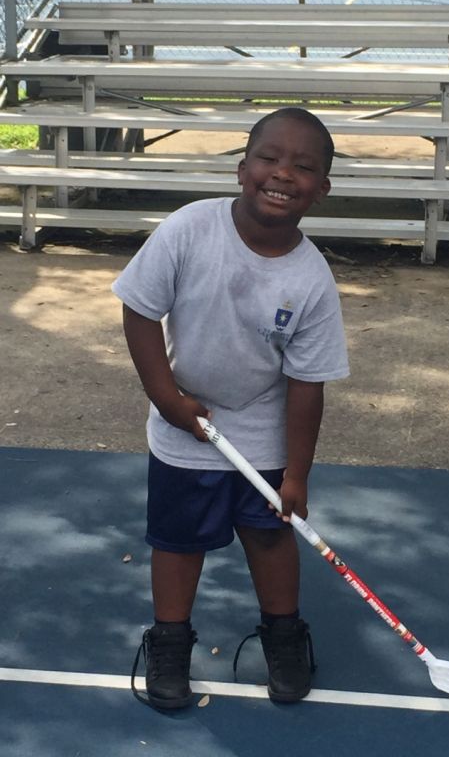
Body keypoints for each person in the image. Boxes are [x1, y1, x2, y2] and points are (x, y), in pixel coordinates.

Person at [112, 107, 349, 710]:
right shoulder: (189, 229)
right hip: (183, 424)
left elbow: (307, 383)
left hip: (263, 431)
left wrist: (296, 474)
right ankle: (169, 643)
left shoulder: (313, 280)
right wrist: (166, 399)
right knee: (178, 541)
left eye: (303, 167)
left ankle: (284, 637)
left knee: (270, 538)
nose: (283, 173)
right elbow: (139, 309)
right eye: (269, 158)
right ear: (243, 168)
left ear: (321, 190)